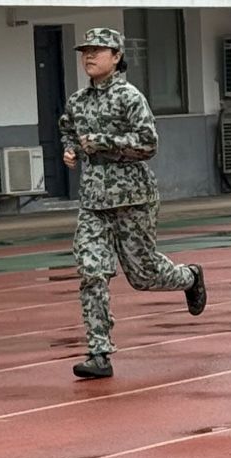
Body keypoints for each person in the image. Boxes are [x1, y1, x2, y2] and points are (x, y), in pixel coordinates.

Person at [59, 27, 206, 379]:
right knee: (92, 272)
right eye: (85, 51)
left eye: (97, 50)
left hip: (133, 198)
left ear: (116, 57)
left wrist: (102, 141)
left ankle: (190, 277)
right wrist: (71, 150)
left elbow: (148, 143)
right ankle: (99, 354)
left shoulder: (129, 97)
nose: (89, 56)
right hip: (93, 201)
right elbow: (68, 129)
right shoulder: (77, 101)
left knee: (144, 275)